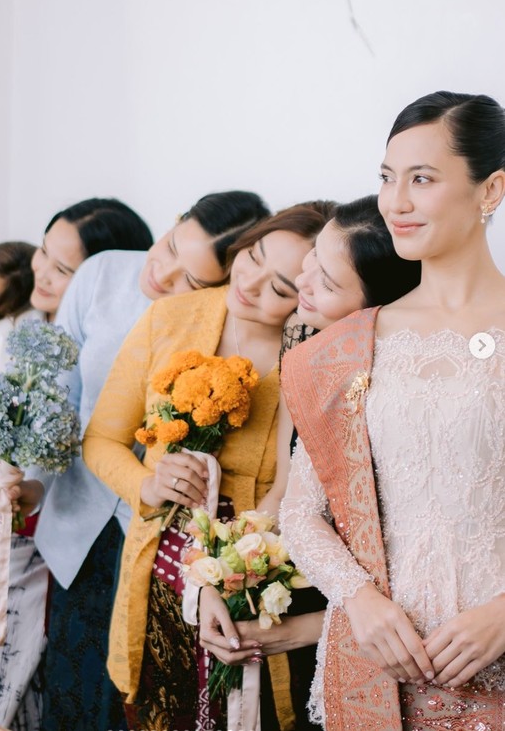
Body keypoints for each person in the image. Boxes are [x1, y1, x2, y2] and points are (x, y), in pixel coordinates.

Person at [280, 91, 505, 731]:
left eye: (422, 179)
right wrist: (359, 602)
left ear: (491, 189)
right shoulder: (350, 345)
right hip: (379, 671)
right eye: (387, 178)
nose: (395, 202)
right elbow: (301, 511)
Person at [82, 203, 332, 731]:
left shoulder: (311, 353)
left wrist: (234, 570)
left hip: (258, 577)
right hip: (160, 568)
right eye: (253, 256)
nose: (250, 284)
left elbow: (296, 491)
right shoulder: (170, 319)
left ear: (309, 294)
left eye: (279, 287)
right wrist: (147, 483)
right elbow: (101, 440)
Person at [31, 190, 273, 731]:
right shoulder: (101, 274)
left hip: (159, 537)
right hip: (79, 516)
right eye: (169, 247)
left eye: (191, 278)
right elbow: (54, 393)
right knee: (70, 688)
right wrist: (26, 484)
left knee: (129, 701)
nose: (162, 275)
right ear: (174, 222)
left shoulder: (225, 325)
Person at [0, 198, 153, 731]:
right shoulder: (2, 337)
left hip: (61, 553)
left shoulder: (116, 353)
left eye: (63, 268)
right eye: (44, 253)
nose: (43, 273)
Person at [198, 195, 421, 730]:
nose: (304, 282)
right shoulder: (302, 346)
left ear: (374, 306)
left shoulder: (399, 390)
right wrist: (218, 577)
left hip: (378, 626)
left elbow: (415, 570)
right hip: (297, 598)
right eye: (312, 259)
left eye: (328, 281)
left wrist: (305, 630)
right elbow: (284, 493)